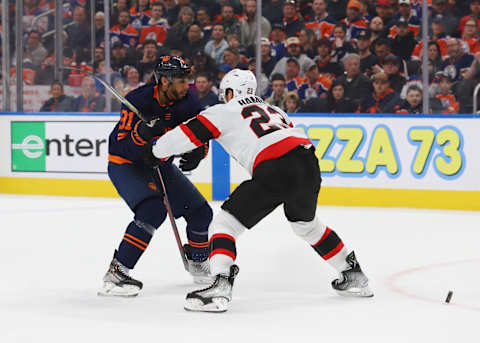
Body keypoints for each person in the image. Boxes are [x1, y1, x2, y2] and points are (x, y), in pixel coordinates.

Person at [150, 69, 373, 312]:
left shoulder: (223, 111)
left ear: (230, 92)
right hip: (307, 161)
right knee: (305, 225)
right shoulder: (277, 111)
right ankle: (353, 273)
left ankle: (220, 284)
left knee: (224, 225)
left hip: (274, 165)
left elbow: (180, 139)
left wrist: (155, 147)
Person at [98, 56, 214, 297]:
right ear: (163, 81)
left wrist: (198, 152)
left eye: (187, 80)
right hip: (126, 165)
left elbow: (201, 133)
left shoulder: (189, 102)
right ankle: (117, 272)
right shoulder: (137, 101)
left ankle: (199, 261)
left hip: (160, 164)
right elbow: (122, 146)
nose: (186, 86)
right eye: (181, 81)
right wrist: (142, 135)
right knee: (152, 211)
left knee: (201, 212)